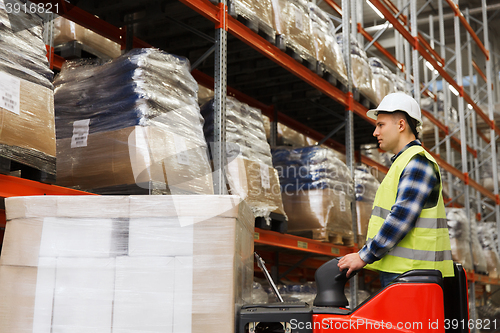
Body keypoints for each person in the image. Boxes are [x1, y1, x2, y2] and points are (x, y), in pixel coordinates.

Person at [338, 92, 454, 287]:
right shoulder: (404, 162)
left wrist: (364, 256)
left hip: (413, 275)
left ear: (401, 125)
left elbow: (401, 217)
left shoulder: (417, 162)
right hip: (405, 272)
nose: (375, 132)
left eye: (380, 125)